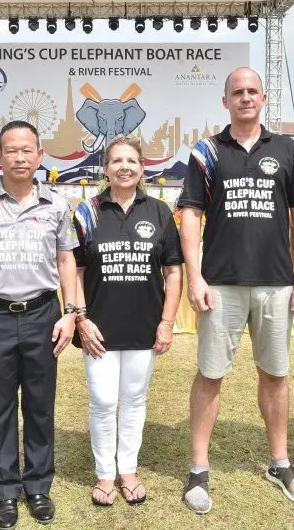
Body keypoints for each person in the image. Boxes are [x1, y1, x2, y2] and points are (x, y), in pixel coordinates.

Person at [177, 67, 294, 514]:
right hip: (220, 284)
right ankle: (198, 468)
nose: (244, 98)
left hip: (276, 283)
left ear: (264, 97)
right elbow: (190, 216)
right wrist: (196, 277)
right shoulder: (208, 150)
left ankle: (279, 462)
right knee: (211, 374)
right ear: (225, 102)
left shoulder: (287, 150)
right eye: (236, 92)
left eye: (252, 91)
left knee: (275, 374)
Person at [0, 120, 78, 530]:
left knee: (41, 406)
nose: (20, 157)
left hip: (44, 314)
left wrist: (71, 312)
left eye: (28, 150)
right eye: (11, 150)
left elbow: (66, 261)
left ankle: (39, 486)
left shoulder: (57, 206)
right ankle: (5, 490)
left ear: (40, 156)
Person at [73, 135, 184, 506]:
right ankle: (105, 474)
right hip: (97, 329)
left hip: (143, 326)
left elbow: (173, 271)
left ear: (142, 167)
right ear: (105, 168)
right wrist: (80, 319)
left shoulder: (159, 212)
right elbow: (74, 270)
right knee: (103, 401)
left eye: (131, 161)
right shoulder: (87, 211)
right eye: (116, 161)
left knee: (134, 399)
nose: (124, 167)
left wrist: (166, 322)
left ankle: (128, 471)